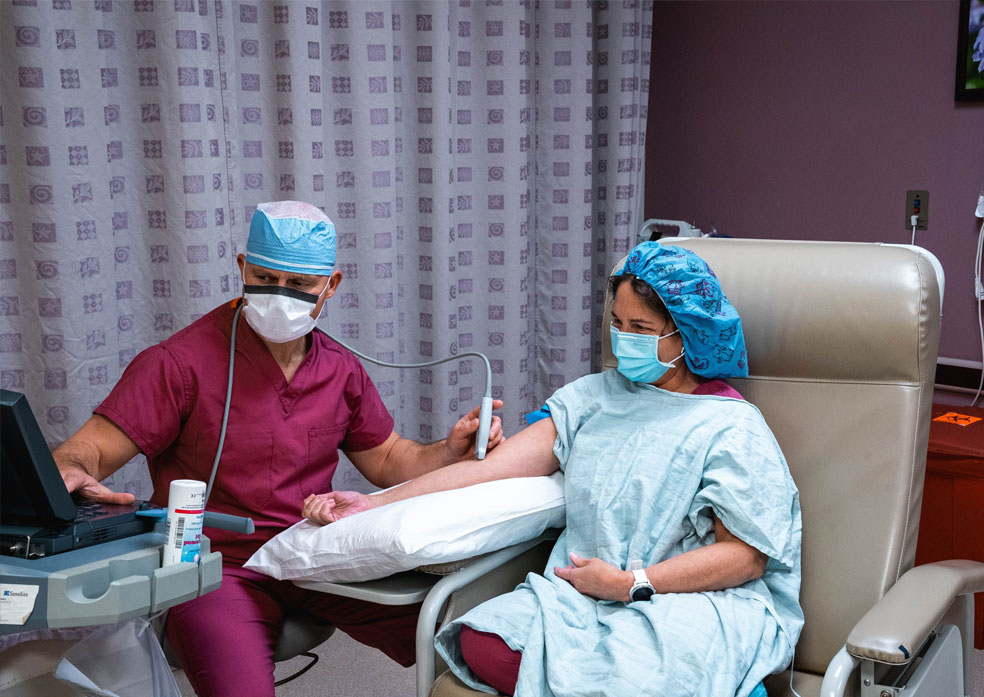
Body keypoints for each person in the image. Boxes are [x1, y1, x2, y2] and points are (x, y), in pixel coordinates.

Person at [302, 241, 803, 697]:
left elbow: (745, 558)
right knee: (482, 642)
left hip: (688, 597)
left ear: (688, 334)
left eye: (642, 329)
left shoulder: (731, 425)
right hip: (582, 595)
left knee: (643, 672)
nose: (623, 339)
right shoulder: (592, 399)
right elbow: (490, 470)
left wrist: (632, 583)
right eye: (618, 324)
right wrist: (376, 502)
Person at [53, 200, 504, 697]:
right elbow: (89, 450)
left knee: (478, 634)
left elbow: (387, 459)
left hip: (313, 553)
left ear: (330, 285)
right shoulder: (177, 364)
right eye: (265, 278)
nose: (279, 295)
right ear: (242, 268)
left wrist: (449, 450)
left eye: (299, 284)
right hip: (216, 568)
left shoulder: (340, 369)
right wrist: (69, 467)